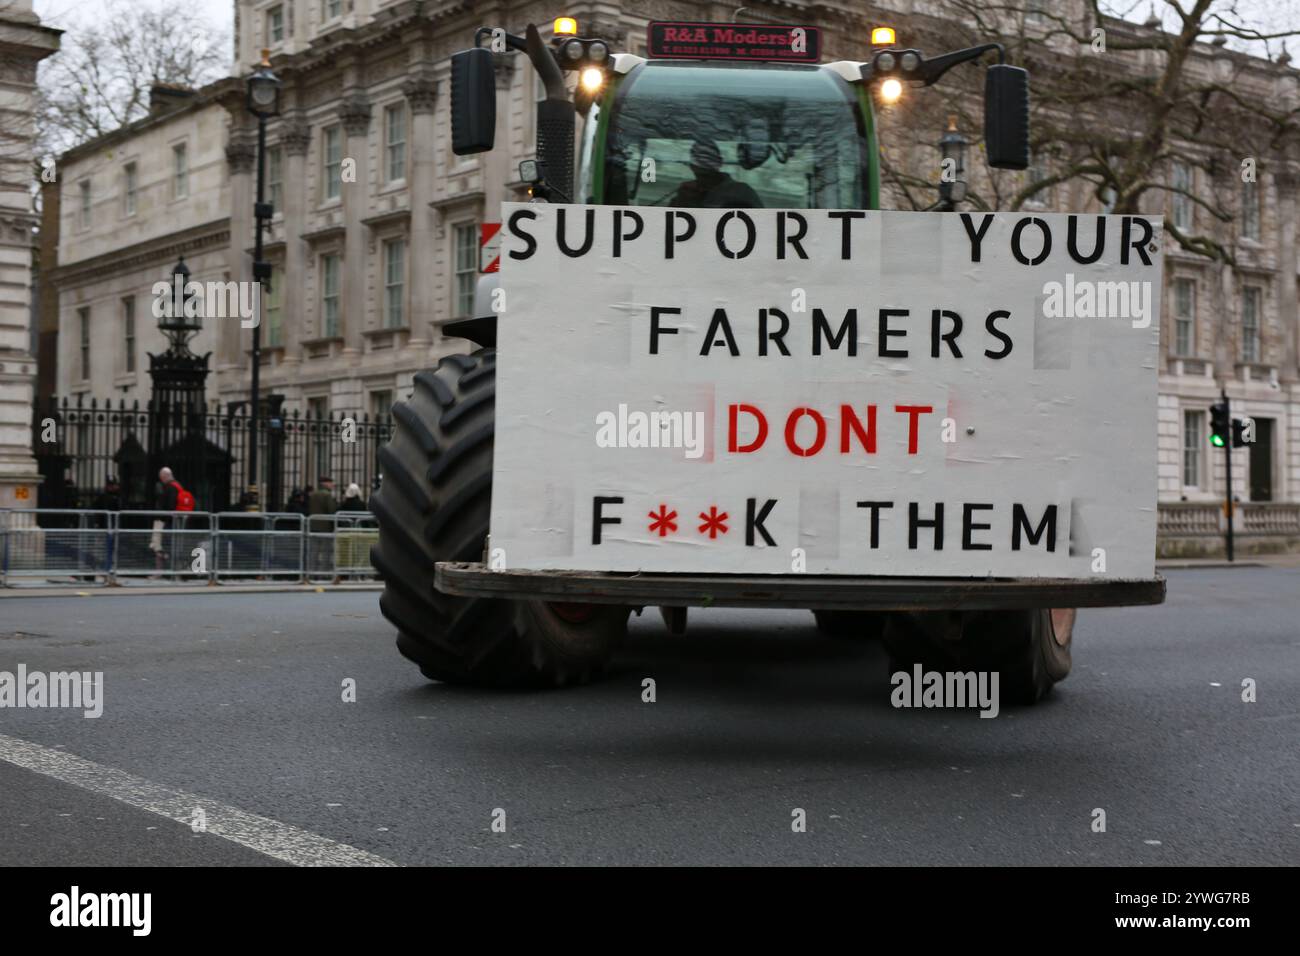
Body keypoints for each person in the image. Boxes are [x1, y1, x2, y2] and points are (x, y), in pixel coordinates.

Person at [669, 139, 764, 209]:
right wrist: (681, 202)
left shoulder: (741, 192)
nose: (704, 180)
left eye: (707, 174)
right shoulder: (687, 192)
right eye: (700, 174)